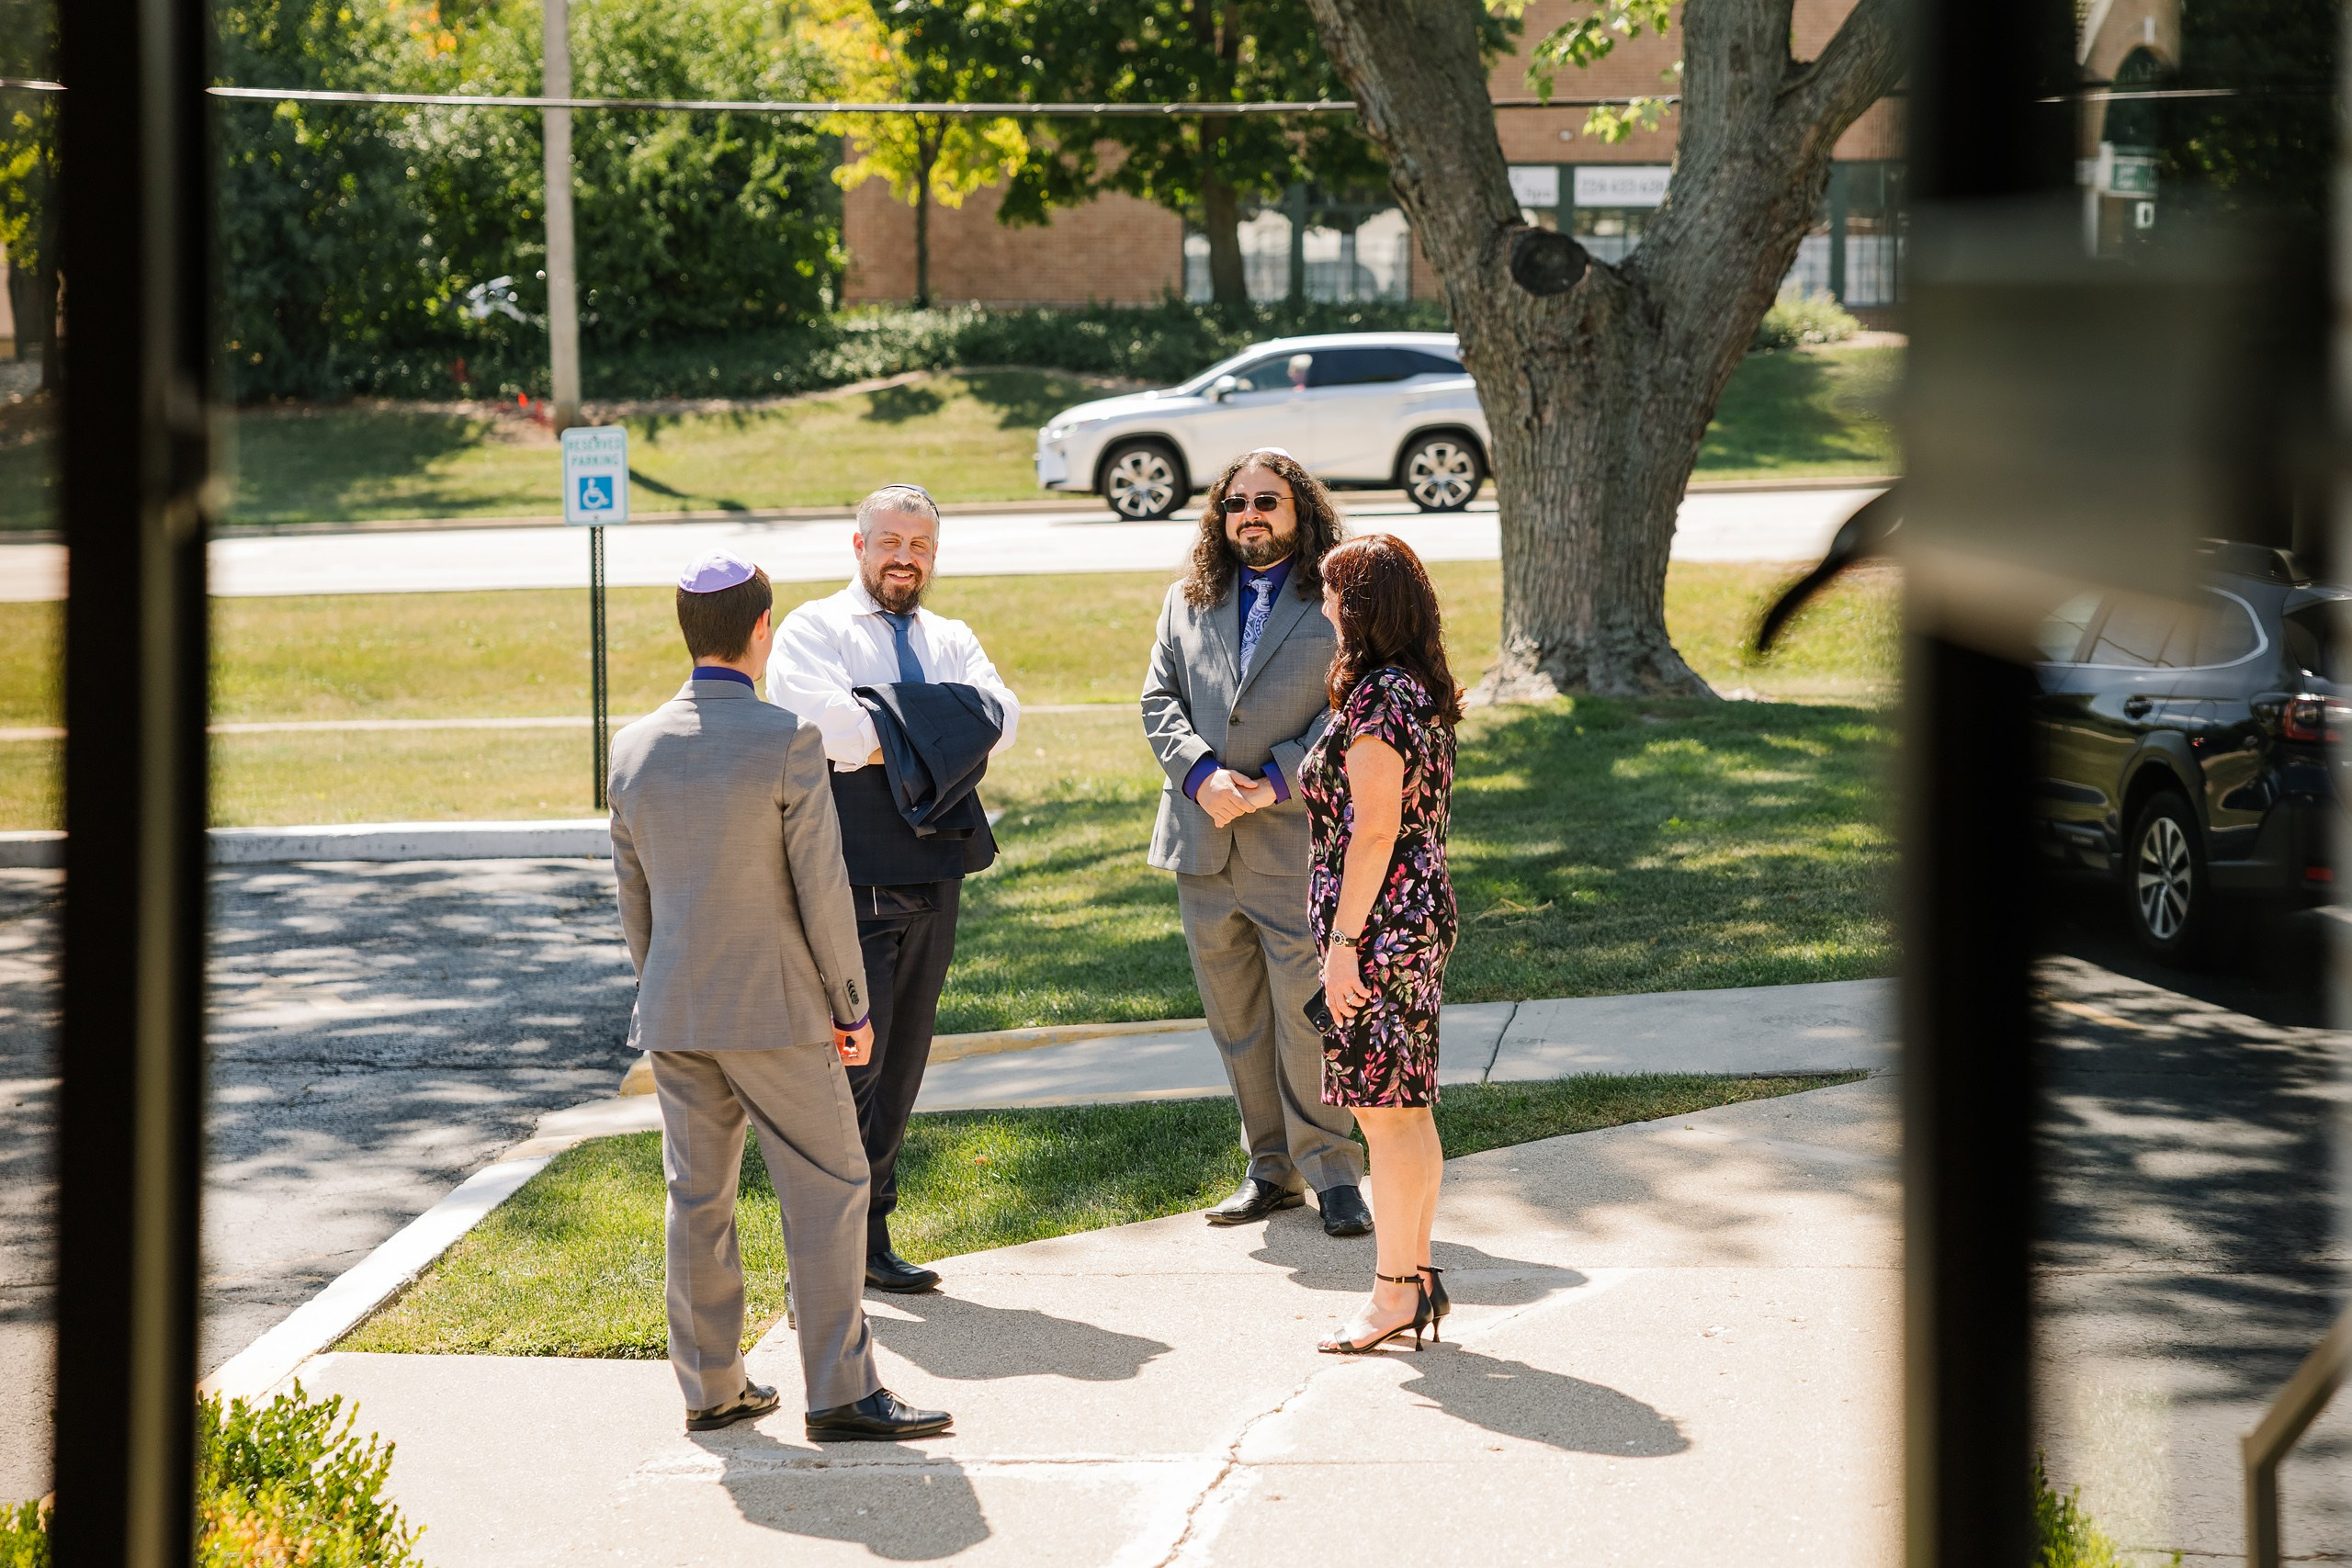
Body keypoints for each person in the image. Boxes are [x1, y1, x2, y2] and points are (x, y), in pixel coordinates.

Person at [608, 548, 951, 1440]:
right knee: (834, 1185)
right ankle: (841, 1392)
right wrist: (852, 1007)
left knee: (698, 1200)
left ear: (689, 633)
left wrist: (663, 994)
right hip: (776, 1013)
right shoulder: (787, 741)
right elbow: (822, 892)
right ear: (762, 630)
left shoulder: (632, 748)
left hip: (676, 1014)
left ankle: (711, 1388)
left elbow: (635, 906)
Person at [767, 485, 1021, 1293]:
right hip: (856, 871)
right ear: (858, 545)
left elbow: (1003, 716)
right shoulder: (815, 629)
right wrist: (939, 731)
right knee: (851, 1060)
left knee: (906, 1056)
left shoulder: (953, 635)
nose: (905, 556)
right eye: (890, 541)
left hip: (939, 868)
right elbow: (821, 729)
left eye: (921, 544)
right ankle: (828, 1242)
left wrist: (887, 721)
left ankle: (873, 1234)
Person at [1140, 448, 1372, 1237]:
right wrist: (1202, 775)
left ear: (1299, 510)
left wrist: (1274, 781)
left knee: (1308, 1017)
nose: (1251, 516)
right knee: (1236, 1020)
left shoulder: (1336, 597)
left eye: (1267, 502)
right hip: (1203, 845)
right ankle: (1269, 1170)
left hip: (1292, 845)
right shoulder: (1188, 598)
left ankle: (1333, 1170)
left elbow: (1346, 710)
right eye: (1236, 503)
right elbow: (1158, 699)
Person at [1298, 535, 1463, 1355]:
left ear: (1358, 605)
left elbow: (1374, 832)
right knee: (1406, 1112)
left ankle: (1393, 1292)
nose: (1323, 604)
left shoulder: (1377, 701)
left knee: (1385, 1116)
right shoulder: (1414, 690)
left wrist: (1343, 942)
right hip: (1414, 917)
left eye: (1333, 593)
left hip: (1380, 929)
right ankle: (1415, 1273)